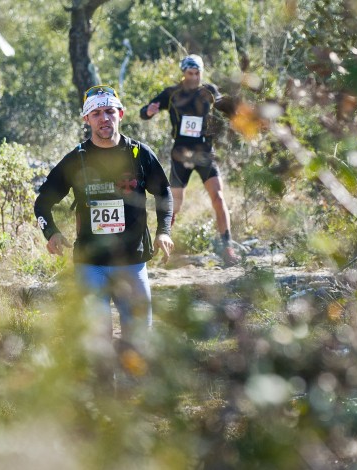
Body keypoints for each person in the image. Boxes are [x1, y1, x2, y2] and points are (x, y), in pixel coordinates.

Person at [34, 84, 174, 347]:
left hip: (132, 262)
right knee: (98, 342)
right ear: (87, 119)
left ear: (120, 114)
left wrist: (163, 231)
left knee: (139, 340)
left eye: (109, 111)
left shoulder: (139, 154)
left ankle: (132, 389)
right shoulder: (77, 159)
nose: (104, 118)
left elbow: (164, 194)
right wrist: (50, 232)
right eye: (96, 113)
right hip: (91, 264)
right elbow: (42, 203)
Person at [140, 53, 240, 266]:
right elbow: (145, 112)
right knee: (174, 204)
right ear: (183, 73)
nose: (194, 77)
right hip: (180, 155)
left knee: (219, 198)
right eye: (190, 73)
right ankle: (162, 247)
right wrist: (148, 111)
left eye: (197, 73)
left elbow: (228, 109)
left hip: (205, 153)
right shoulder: (172, 93)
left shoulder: (209, 91)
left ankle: (227, 247)